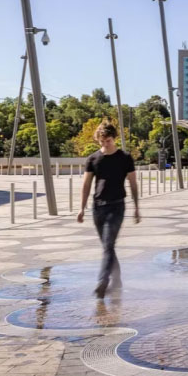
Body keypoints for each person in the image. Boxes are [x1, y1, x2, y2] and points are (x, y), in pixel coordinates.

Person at [77, 120, 140, 298]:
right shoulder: (93, 159)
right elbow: (86, 184)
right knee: (108, 245)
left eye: (108, 141)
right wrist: (81, 208)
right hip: (98, 207)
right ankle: (117, 279)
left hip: (117, 206)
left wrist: (137, 208)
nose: (105, 145)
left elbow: (133, 184)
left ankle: (102, 280)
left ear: (114, 139)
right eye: (102, 142)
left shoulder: (125, 158)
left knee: (108, 244)